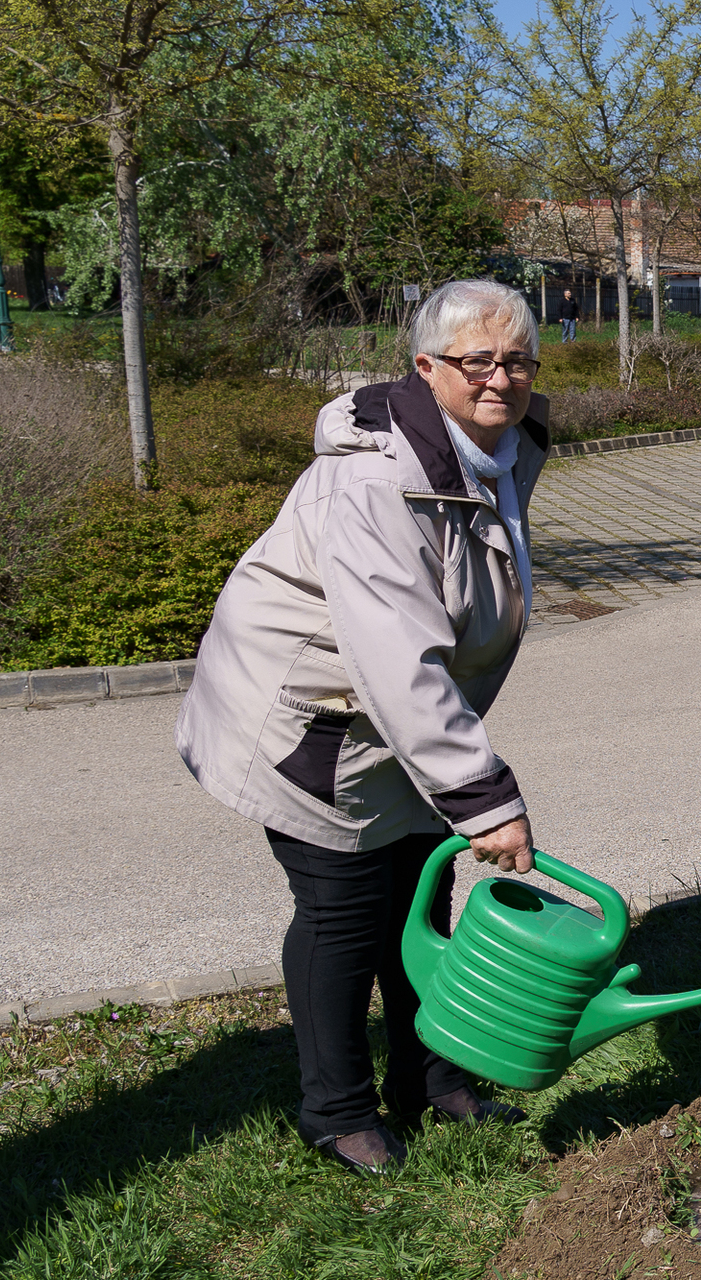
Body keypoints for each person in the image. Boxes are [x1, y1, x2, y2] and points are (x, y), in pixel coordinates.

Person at [176, 279, 550, 1174]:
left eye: (518, 361)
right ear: (426, 368)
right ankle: (336, 1111)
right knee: (344, 910)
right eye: (476, 361)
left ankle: (433, 1079)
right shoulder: (376, 481)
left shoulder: (504, 445)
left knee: (418, 892)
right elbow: (393, 652)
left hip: (397, 721)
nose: (500, 379)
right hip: (312, 719)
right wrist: (484, 799)